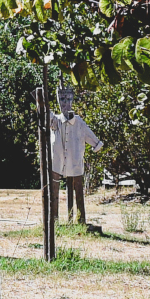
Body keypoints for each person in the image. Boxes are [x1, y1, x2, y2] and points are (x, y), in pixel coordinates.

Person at [48, 85, 103, 225]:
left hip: (75, 163)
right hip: (57, 163)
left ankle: (80, 220)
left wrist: (96, 145)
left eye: (67, 99)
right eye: (61, 99)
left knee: (78, 191)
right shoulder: (55, 121)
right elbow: (44, 114)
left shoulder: (79, 123)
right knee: (53, 192)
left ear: (72, 100)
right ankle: (54, 222)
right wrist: (39, 100)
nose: (64, 103)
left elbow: (93, 139)